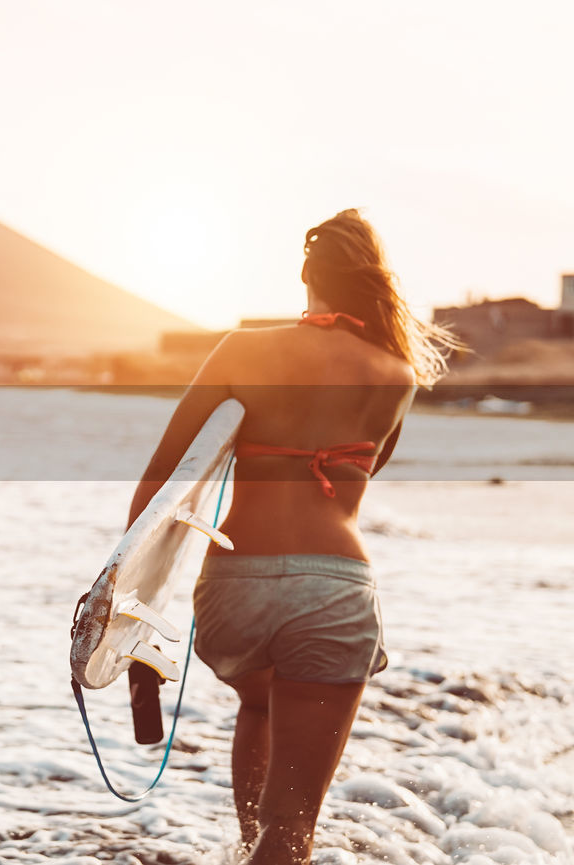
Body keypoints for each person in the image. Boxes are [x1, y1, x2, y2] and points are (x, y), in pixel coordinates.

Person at [126, 210, 456, 864]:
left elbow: (165, 481)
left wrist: (134, 608)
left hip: (233, 587)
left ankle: (249, 847)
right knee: (293, 832)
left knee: (260, 705)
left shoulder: (242, 350)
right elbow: (366, 473)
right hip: (332, 586)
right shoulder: (396, 374)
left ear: (307, 276)